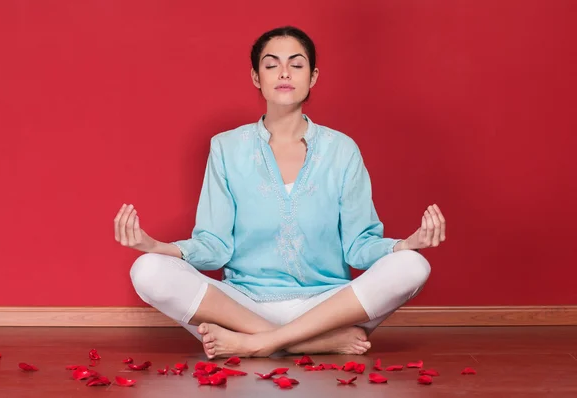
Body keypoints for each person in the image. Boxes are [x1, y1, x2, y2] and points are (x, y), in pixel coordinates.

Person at [114, 26, 446, 359]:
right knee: (148, 270)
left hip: (329, 306)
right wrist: (156, 246)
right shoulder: (226, 148)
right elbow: (213, 246)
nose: (284, 73)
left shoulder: (342, 150)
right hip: (243, 305)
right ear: (256, 77)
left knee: (413, 265)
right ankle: (308, 343)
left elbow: (360, 245)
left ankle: (257, 344)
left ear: (313, 76)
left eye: (296, 64)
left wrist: (406, 245)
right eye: (272, 64)